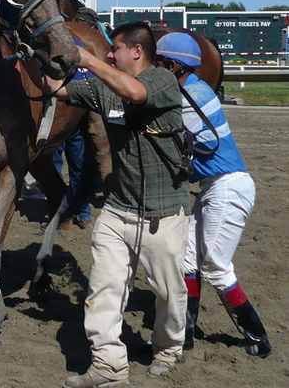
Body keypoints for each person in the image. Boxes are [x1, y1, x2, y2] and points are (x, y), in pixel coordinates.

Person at [25, 21, 190, 386]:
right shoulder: (102, 88)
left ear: (137, 51)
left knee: (168, 292)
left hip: (163, 212)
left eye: (114, 48)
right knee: (103, 289)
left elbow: (134, 93)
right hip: (117, 209)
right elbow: (55, 89)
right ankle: (108, 368)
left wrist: (87, 57)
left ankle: (167, 347)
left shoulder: (161, 80)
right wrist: (33, 55)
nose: (109, 54)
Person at [155, 32, 272, 358]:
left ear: (174, 65)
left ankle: (258, 337)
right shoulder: (192, 89)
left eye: (160, 63)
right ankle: (187, 333)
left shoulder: (189, 97)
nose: (157, 68)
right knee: (187, 260)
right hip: (214, 187)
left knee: (216, 268)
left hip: (227, 188)